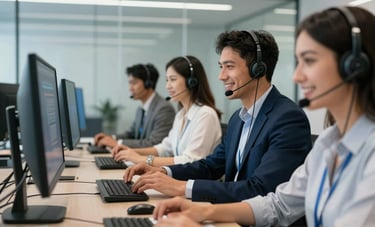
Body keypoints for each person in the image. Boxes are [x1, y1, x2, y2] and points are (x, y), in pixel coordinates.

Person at [152, 6, 375, 227]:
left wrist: (184, 192)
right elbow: (278, 205)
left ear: (355, 65)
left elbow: (261, 188)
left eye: (309, 60)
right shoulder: (329, 143)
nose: (296, 76)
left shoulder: (292, 119)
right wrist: (203, 210)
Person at [123, 30, 312, 203]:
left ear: (258, 69)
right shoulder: (238, 118)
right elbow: (211, 165)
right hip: (230, 214)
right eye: (221, 66)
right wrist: (164, 171)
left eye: (229, 66)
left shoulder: (287, 118)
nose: (221, 76)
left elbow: (262, 189)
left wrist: (182, 187)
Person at [111, 56, 222, 167]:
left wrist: (141, 159)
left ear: (191, 82)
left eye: (173, 79)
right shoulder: (181, 115)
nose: (167, 86)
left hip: (195, 182)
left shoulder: (206, 115)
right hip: (180, 178)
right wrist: (132, 151)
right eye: (167, 80)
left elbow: (191, 160)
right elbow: (165, 148)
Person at [94, 63, 175, 148]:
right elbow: (131, 133)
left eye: (134, 83)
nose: (130, 88)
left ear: (148, 83)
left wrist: (118, 143)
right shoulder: (141, 109)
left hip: (151, 160)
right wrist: (111, 138)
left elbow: (154, 143)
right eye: (130, 83)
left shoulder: (164, 109)